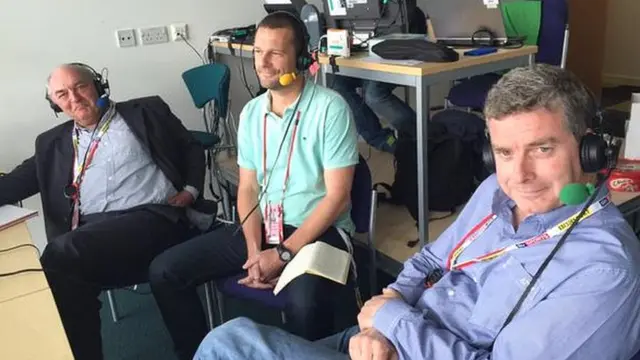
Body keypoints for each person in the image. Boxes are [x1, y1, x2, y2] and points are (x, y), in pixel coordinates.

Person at [192, 64, 640, 360]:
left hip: (408, 340)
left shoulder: (601, 271)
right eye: (504, 152)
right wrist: (385, 323)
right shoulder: (494, 193)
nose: (519, 174)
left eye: (542, 149)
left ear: (591, 149)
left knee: (230, 345)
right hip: (388, 338)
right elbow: (427, 262)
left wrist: (390, 320)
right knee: (228, 340)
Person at [148, 11, 360, 360]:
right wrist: (252, 252)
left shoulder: (330, 108)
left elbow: (337, 198)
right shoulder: (251, 114)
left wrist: (282, 254)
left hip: (321, 230)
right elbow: (247, 188)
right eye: (258, 51)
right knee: (165, 271)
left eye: (275, 52)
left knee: (304, 303)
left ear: (300, 57)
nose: (263, 62)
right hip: (264, 227)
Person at [0, 63, 206, 360]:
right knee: (65, 279)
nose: (74, 98)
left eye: (80, 86)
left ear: (98, 85)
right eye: (62, 93)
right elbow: (16, 183)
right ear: (54, 103)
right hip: (93, 237)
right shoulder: (52, 143)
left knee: (60, 257)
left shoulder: (146, 111)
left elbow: (191, 147)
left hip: (154, 217)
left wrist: (191, 190)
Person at [328, 4, 428, 153]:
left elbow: (412, 20)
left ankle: (424, 139)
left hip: (402, 42)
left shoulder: (401, 10)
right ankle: (383, 140)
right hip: (366, 51)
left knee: (374, 95)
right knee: (336, 84)